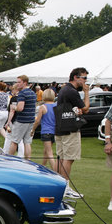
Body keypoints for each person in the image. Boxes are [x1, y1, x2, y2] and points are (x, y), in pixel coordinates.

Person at [54, 67, 90, 199]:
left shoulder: (64, 89)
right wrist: (86, 93)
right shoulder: (72, 91)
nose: (85, 81)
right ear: (76, 77)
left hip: (61, 126)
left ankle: (59, 186)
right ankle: (65, 188)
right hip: (69, 128)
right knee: (68, 158)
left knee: (62, 158)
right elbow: (85, 108)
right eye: (84, 78)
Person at [6, 75, 36, 159]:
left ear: (25, 83)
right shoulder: (32, 93)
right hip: (31, 120)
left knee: (14, 141)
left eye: (19, 82)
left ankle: (9, 159)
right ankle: (28, 161)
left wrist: (14, 107)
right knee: (27, 142)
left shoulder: (22, 93)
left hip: (22, 121)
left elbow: (20, 108)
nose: (17, 84)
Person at [30, 89, 57, 170]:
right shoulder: (56, 106)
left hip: (46, 131)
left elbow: (37, 120)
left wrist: (33, 130)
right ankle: (43, 166)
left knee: (49, 153)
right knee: (46, 150)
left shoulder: (43, 107)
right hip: (54, 131)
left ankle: (56, 170)